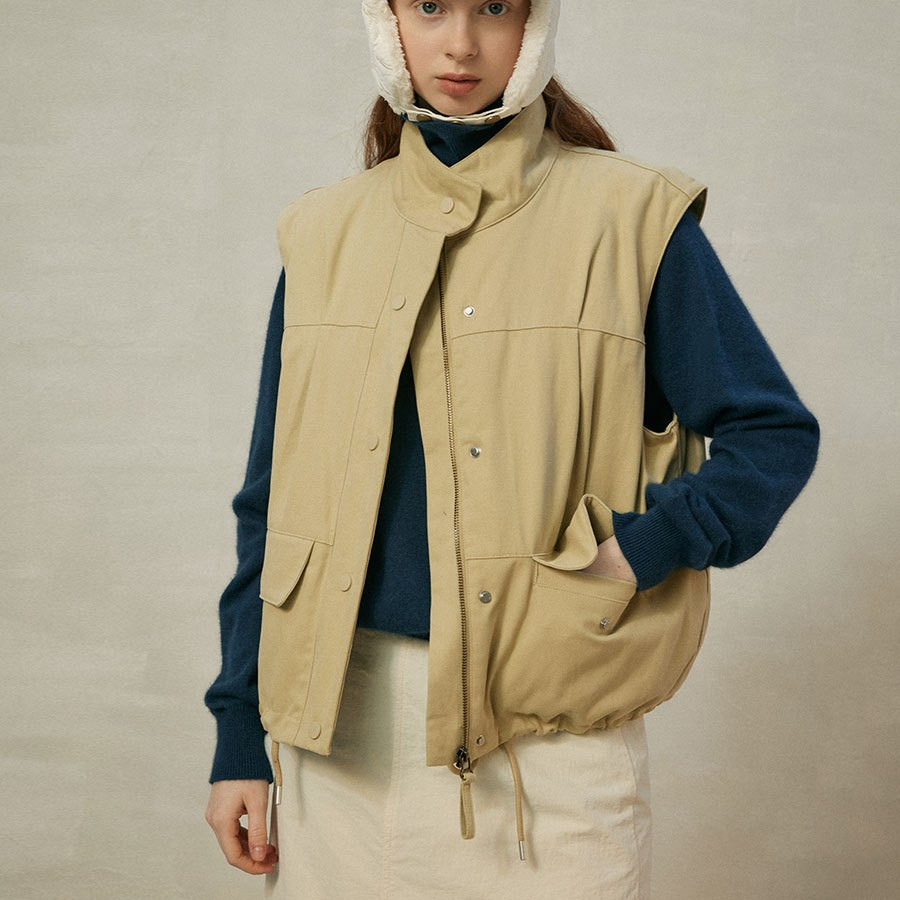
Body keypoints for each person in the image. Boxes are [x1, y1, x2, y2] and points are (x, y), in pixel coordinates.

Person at [204, 1, 819, 897]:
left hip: (552, 752)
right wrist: (236, 734)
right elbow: (271, 500)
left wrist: (641, 549)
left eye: (493, 7)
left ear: (534, 25)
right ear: (386, 21)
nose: (460, 43)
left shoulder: (634, 216)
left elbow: (771, 434)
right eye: (429, 6)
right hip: (333, 741)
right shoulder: (322, 232)